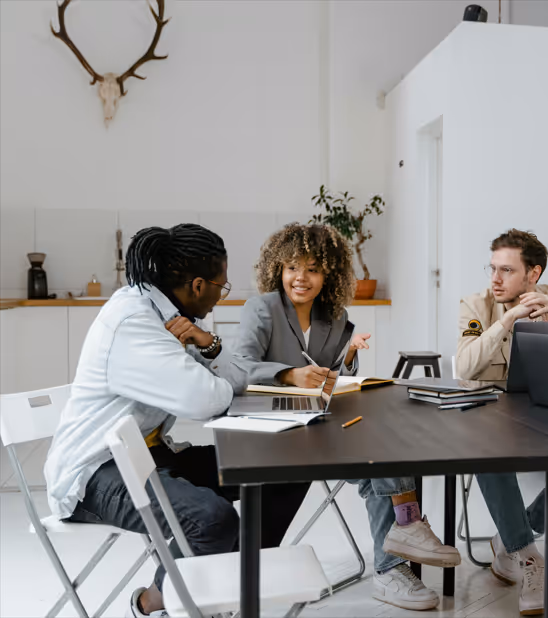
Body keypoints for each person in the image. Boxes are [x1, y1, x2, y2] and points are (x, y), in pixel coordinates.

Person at [42, 224, 310, 618]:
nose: (223, 294)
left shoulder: (171, 316)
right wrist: (214, 376)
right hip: (94, 475)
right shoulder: (134, 322)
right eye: (223, 285)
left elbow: (237, 378)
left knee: (285, 470)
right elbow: (209, 400)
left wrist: (209, 345)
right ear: (198, 285)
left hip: (150, 457)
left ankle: (230, 582)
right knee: (210, 517)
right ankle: (155, 602)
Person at [236, 223, 460, 611]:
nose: (300, 278)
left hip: (320, 426)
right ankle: (405, 533)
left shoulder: (335, 317)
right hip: (272, 428)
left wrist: (350, 357)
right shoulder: (263, 308)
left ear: (329, 274)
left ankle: (392, 566)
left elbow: (339, 383)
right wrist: (289, 375)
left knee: (381, 455)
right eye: (292, 268)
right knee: (378, 456)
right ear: (278, 270)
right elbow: (240, 366)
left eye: (312, 268)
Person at [457, 228, 548, 616]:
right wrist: (508, 320)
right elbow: (464, 366)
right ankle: (527, 555)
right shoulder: (475, 305)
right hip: (488, 416)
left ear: (533, 274)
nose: (495, 279)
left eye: (506, 270)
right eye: (492, 269)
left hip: (544, 414)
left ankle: (511, 538)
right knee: (490, 457)